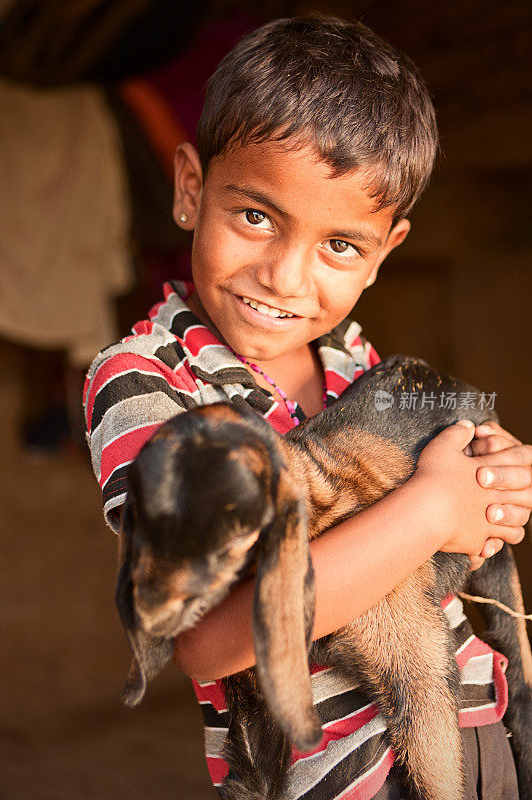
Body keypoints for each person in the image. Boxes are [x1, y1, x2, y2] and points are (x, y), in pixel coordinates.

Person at [83, 17, 531, 800]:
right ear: (190, 190)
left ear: (385, 251)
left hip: (476, 739)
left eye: (339, 247)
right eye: (255, 216)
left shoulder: (357, 361)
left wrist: (494, 487)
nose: (285, 279)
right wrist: (430, 510)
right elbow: (208, 640)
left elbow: (465, 515)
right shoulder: (147, 380)